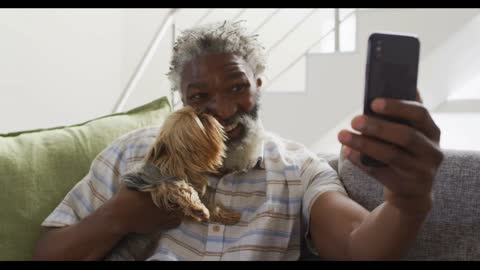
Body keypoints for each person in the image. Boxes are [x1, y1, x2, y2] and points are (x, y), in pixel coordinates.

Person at [32, 20, 443, 261]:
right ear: (182, 99)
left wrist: (408, 201)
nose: (224, 110)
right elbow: (48, 251)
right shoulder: (132, 152)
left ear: (258, 85)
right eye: (200, 97)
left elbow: (356, 245)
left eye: (236, 88)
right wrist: (119, 215)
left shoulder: (295, 170)